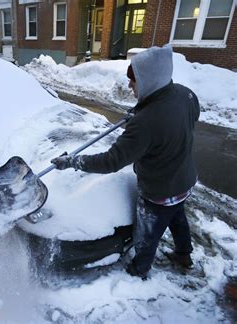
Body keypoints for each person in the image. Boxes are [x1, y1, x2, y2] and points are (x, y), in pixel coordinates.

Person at [51, 45, 200, 279]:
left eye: (135, 80)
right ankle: (184, 255)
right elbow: (180, 120)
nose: (130, 85)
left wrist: (73, 161)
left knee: (147, 235)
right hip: (185, 181)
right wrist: (142, 112)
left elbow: (112, 161)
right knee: (178, 217)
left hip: (159, 192)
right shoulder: (185, 94)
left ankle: (138, 270)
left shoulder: (145, 124)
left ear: (150, 80)